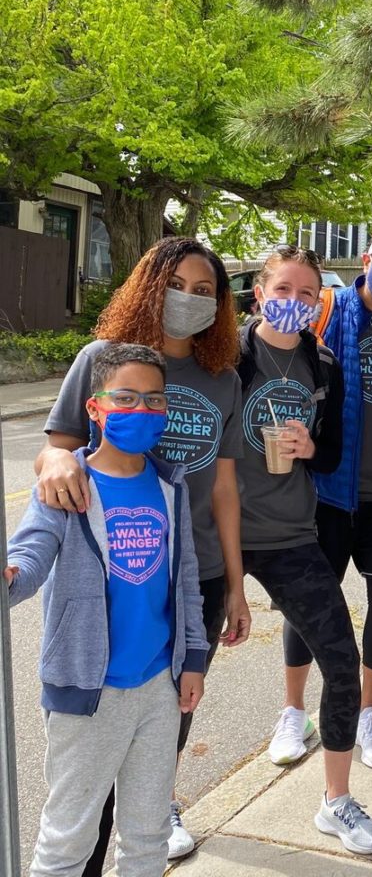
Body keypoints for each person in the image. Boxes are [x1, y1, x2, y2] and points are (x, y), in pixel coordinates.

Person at [36, 236, 249, 866]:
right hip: (108, 576)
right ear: (150, 285)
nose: (189, 297)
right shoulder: (102, 358)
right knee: (88, 767)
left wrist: (236, 586)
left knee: (164, 725)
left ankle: (154, 812)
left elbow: (227, 490)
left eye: (205, 289)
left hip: (195, 578)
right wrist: (50, 460)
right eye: (177, 283)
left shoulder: (224, 378)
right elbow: (59, 447)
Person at [7, 343, 207, 877]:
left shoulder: (171, 483)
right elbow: (28, 556)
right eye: (124, 398)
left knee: (148, 836)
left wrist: (194, 660)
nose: (139, 411)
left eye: (152, 400)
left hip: (159, 690)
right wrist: (10, 575)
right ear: (94, 408)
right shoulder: (68, 482)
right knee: (67, 842)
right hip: (88, 695)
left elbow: (184, 580)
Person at [236, 247, 372, 853]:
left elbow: (330, 453)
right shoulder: (228, 354)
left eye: (308, 293)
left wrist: (308, 450)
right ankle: (162, 804)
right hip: (215, 537)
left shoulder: (322, 364)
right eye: (285, 288)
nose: (295, 302)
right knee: (179, 672)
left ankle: (336, 801)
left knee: (342, 664)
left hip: (290, 535)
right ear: (259, 293)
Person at [272, 226, 372, 771]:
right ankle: (293, 710)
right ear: (369, 259)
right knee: (309, 604)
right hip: (329, 490)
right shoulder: (327, 311)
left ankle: (367, 712)